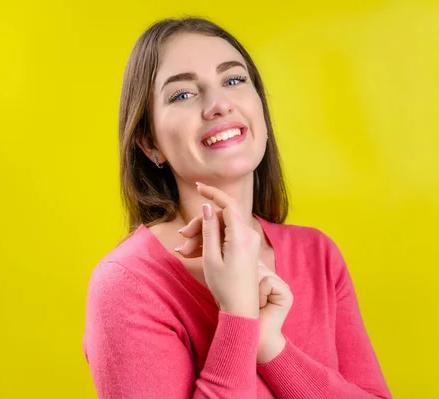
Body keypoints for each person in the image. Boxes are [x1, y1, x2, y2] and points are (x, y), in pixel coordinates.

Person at [83, 16, 393, 399]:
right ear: (150, 144)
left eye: (233, 80)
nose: (219, 104)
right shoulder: (127, 285)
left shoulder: (319, 256)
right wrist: (238, 316)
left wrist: (271, 349)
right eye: (182, 94)